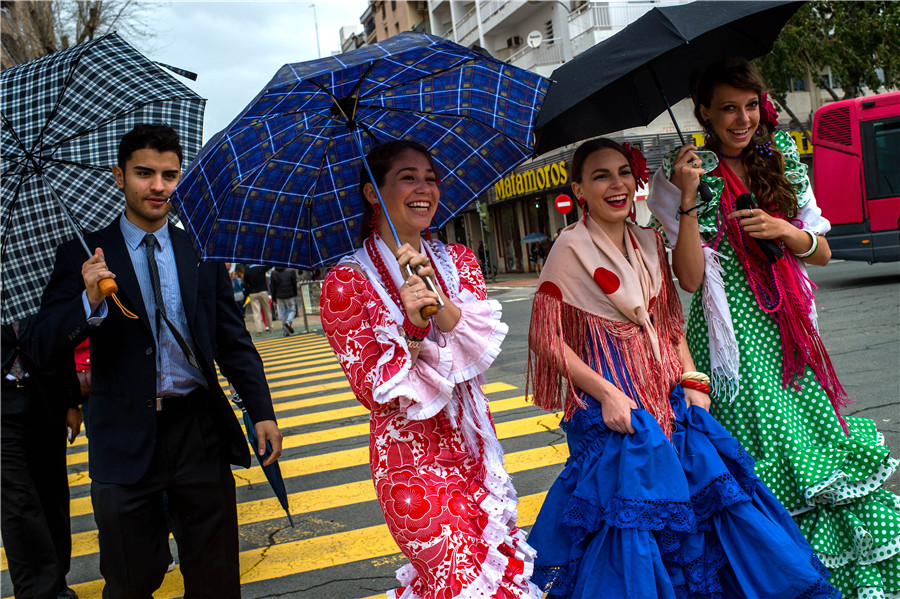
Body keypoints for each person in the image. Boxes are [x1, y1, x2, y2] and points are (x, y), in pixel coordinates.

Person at [526, 138, 837, 598]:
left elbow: (671, 325)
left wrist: (693, 380)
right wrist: (609, 395)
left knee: (709, 514)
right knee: (627, 528)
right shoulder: (568, 248)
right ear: (579, 188)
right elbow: (547, 339)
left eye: (622, 173)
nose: (616, 185)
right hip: (617, 411)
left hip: (669, 398)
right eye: (600, 176)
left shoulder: (650, 240)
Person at [647, 58, 899, 599]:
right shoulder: (678, 172)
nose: (742, 119)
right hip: (730, 340)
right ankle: (781, 579)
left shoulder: (782, 156)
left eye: (750, 106)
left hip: (791, 333)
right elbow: (688, 278)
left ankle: (840, 581)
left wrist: (785, 230)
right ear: (704, 114)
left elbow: (823, 253)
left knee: (818, 454)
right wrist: (689, 198)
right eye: (728, 109)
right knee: (763, 458)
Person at [29, 124, 283, 599]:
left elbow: (233, 341)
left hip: (197, 431)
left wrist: (262, 410)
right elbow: (43, 343)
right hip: (123, 440)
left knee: (216, 578)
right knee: (130, 579)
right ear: (119, 176)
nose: (158, 186)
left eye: (169, 175)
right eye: (144, 173)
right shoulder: (83, 255)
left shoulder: (200, 250)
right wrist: (86, 301)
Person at [320, 140, 540, 598]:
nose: (424, 189)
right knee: (462, 585)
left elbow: (479, 346)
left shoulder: (457, 261)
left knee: (500, 579)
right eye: (407, 177)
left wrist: (435, 299)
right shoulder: (346, 281)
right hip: (410, 463)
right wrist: (411, 326)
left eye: (431, 178)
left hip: (476, 451)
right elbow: (371, 388)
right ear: (371, 192)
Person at [2, 317, 81, 599]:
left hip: (45, 396)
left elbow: (60, 339)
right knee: (17, 502)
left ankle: (57, 582)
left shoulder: (41, 275)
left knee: (52, 494)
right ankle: (36, 592)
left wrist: (71, 401)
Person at [243, 264, 273, 335]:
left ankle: (258, 329)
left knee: (256, 312)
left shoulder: (247, 271)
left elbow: (245, 284)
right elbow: (269, 266)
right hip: (263, 291)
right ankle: (270, 327)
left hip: (253, 293)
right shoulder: (261, 268)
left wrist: (247, 293)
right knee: (267, 310)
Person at [269, 266, 298, 336]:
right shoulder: (290, 271)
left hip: (279, 296)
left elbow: (272, 287)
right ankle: (289, 321)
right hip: (290, 294)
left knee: (282, 313)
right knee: (292, 310)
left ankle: (286, 331)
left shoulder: (274, 273)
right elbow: (294, 283)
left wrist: (274, 299)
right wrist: (295, 293)